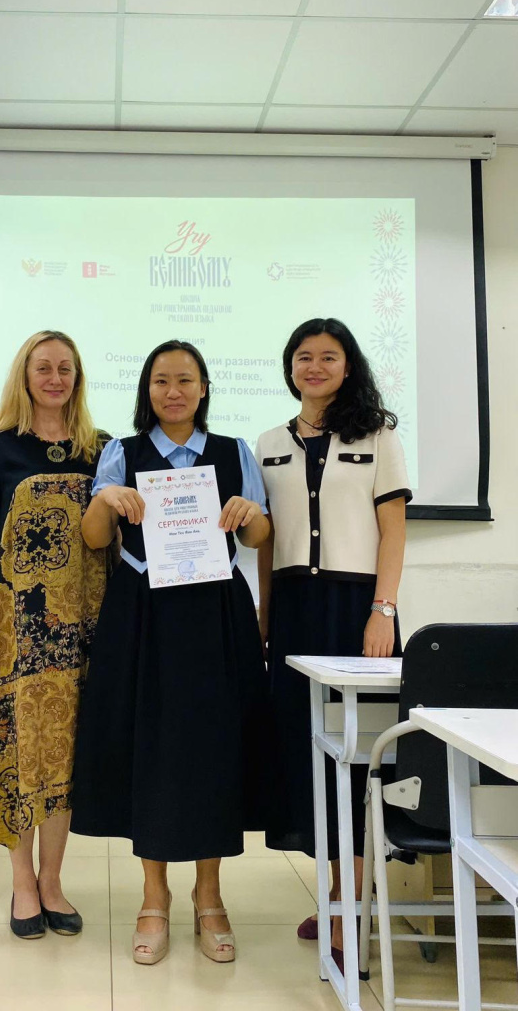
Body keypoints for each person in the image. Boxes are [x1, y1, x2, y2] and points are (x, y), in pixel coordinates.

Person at [71, 339, 270, 966]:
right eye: (161, 380)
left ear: (204, 388)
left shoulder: (233, 452)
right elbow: (94, 538)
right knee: (149, 746)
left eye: (185, 380)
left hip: (215, 614)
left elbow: (259, 536)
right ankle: (153, 898)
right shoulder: (121, 453)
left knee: (214, 747)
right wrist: (105, 501)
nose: (173, 391)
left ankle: (209, 896)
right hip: (143, 614)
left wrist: (250, 511)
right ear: (147, 390)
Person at [256, 317, 410, 968]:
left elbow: (394, 530)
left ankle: (352, 907)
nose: (314, 367)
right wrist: (266, 618)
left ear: (348, 366)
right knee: (306, 753)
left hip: (357, 612)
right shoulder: (268, 443)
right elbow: (266, 544)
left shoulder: (377, 435)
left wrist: (383, 611)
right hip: (294, 611)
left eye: (328, 356)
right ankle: (336, 895)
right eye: (303, 356)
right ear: (289, 366)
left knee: (357, 756)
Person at [0, 330, 109, 940]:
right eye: (43, 368)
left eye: (65, 369)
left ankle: (53, 881)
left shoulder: (101, 449)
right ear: (25, 376)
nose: (55, 379)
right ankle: (23, 882)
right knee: (18, 752)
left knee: (65, 755)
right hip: (12, 627)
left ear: (78, 378)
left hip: (81, 626)